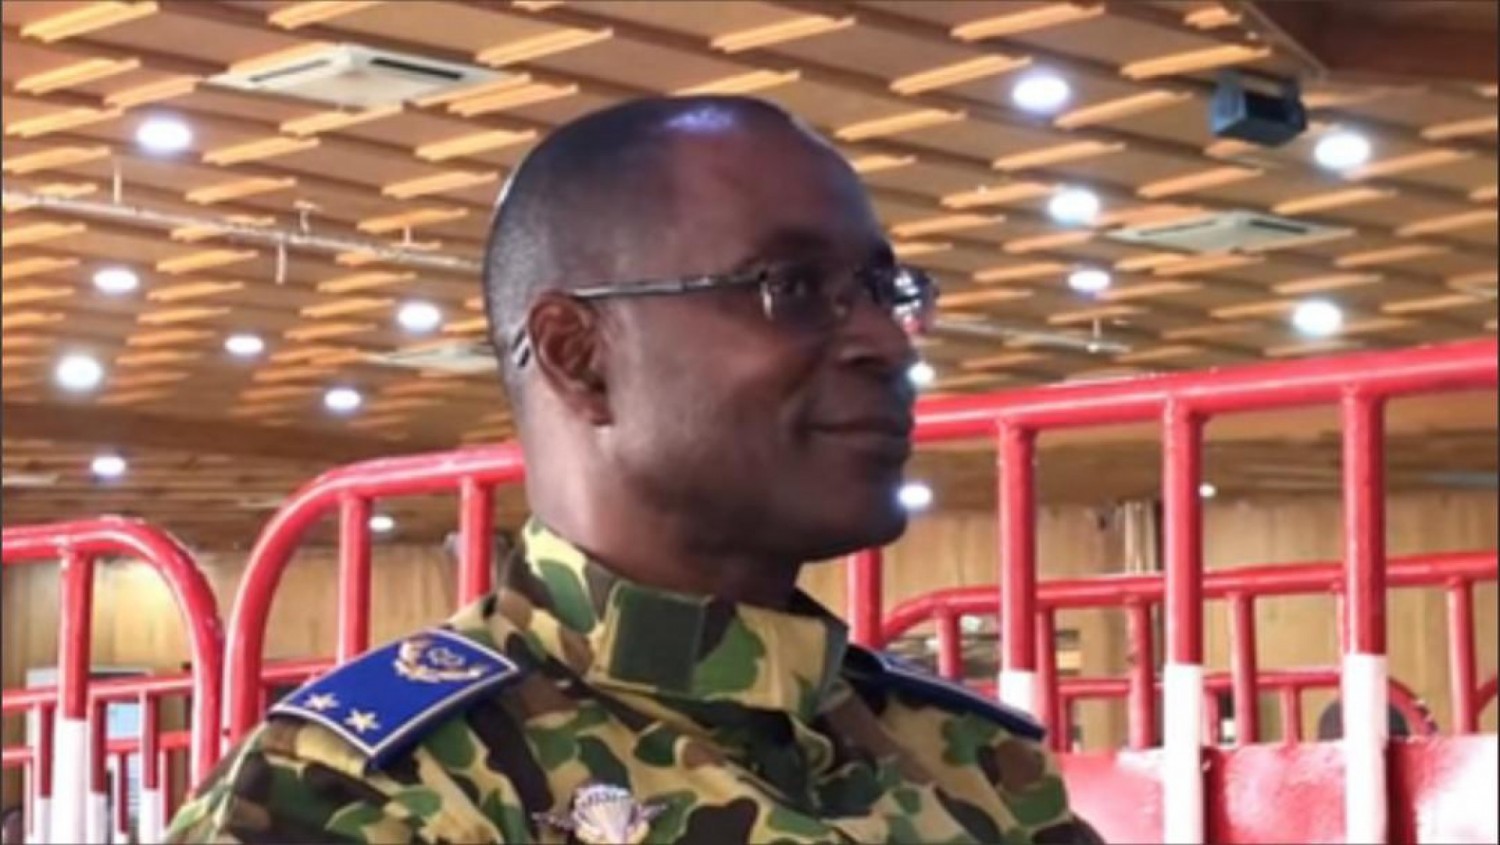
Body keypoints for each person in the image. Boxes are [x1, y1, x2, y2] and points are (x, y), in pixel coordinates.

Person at [166, 96, 1100, 844]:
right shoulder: (367, 793)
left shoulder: (970, 761)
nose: (888, 345)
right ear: (578, 356)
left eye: (884, 291)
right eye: (791, 287)